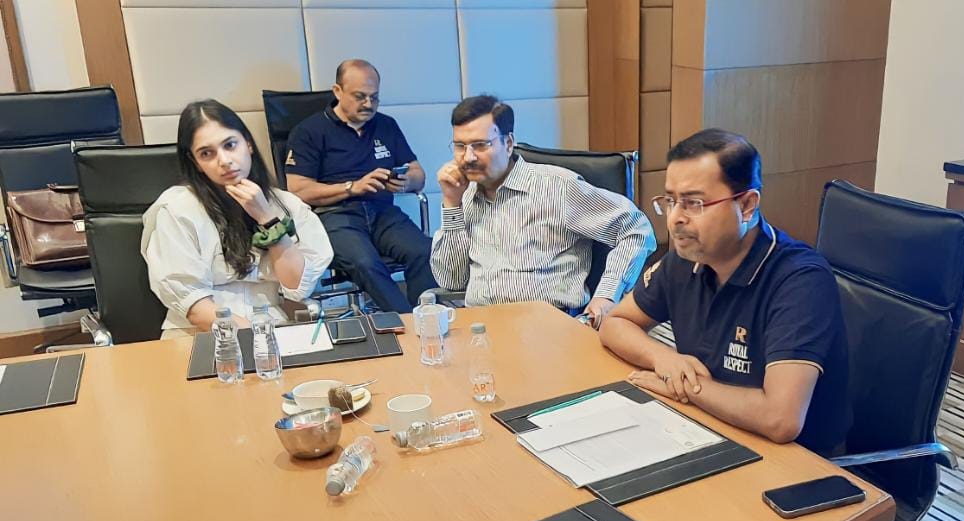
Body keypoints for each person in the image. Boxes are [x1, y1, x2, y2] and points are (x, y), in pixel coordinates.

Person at [598, 129, 850, 455]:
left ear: (746, 205)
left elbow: (780, 419)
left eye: (694, 203)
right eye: (670, 201)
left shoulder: (800, 280)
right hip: (707, 427)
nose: (675, 219)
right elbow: (615, 323)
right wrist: (663, 358)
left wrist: (687, 387)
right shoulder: (686, 257)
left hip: (796, 461)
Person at [431, 95, 655, 326]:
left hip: (547, 328)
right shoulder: (466, 194)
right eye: (460, 146)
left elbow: (636, 229)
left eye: (480, 145)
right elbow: (452, 281)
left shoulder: (558, 188)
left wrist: (607, 294)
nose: (468, 157)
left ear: (508, 143)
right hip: (481, 327)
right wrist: (452, 204)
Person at [143, 99, 334, 338]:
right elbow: (194, 306)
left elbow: (298, 286)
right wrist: (256, 340)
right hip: (198, 334)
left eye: (230, 145)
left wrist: (267, 218)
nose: (224, 161)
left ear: (248, 144)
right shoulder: (176, 210)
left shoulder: (287, 205)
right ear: (196, 163)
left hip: (270, 326)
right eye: (207, 153)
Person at [284, 58, 435, 313]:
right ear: (337, 91)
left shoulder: (386, 125)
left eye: (374, 98)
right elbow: (298, 189)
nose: (368, 104)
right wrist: (352, 187)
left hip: (383, 213)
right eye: (360, 96)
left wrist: (406, 181)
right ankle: (407, 321)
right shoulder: (309, 131)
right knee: (366, 262)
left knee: (425, 250)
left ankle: (427, 315)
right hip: (336, 215)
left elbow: (418, 173)